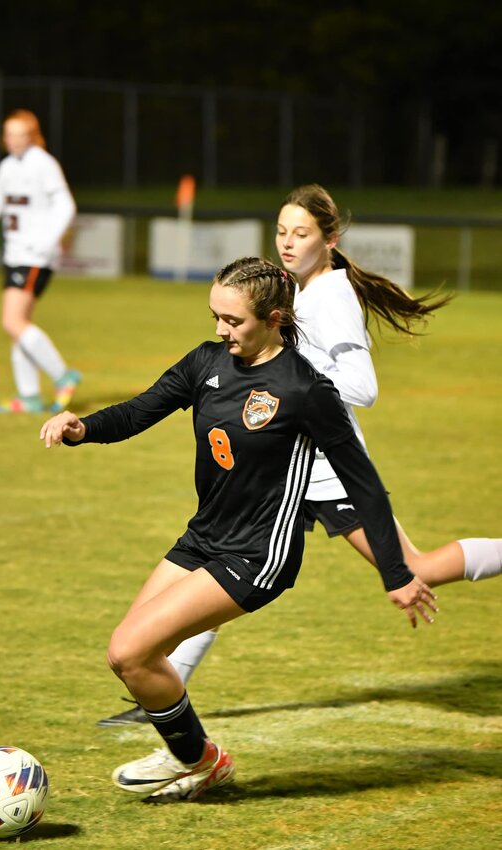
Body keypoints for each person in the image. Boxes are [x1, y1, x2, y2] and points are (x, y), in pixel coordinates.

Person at [98, 183, 502, 729]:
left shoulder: (331, 297)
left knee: (416, 567)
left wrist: (289, 387)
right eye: (281, 231)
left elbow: (362, 386)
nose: (287, 243)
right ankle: (165, 690)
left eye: (301, 233)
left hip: (324, 471)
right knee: (221, 562)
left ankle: (166, 696)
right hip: (286, 464)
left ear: (329, 240)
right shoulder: (297, 290)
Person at [40, 256, 437, 802]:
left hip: (258, 555)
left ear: (274, 318)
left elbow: (362, 482)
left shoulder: (304, 388)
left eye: (234, 321)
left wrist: (395, 571)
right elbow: (140, 410)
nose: (220, 330)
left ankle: (199, 760)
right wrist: (82, 427)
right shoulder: (207, 363)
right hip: (204, 538)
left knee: (130, 649)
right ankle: (195, 757)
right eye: (216, 316)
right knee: (128, 659)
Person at [0, 109, 81, 413]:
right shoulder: (8, 167)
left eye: (21, 134)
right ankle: (30, 397)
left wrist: (45, 243)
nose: (14, 140)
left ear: (33, 135)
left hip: (34, 257)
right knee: (17, 327)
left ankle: (63, 375)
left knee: (12, 321)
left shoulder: (44, 164)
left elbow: (66, 206)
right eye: (9, 134)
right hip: (15, 256)